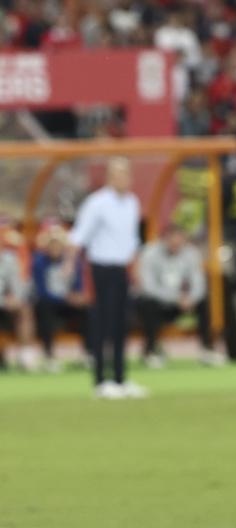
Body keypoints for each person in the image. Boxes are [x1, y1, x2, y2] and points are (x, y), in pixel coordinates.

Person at [65, 157, 146, 399]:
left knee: (122, 324)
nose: (124, 179)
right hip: (100, 268)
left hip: (122, 269)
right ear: (110, 177)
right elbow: (79, 236)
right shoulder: (97, 203)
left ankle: (121, 379)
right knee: (102, 323)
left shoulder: (132, 202)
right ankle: (101, 381)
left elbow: (132, 240)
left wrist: (136, 270)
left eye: (127, 174)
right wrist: (70, 263)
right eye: (119, 174)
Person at [136, 225, 223, 366]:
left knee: (205, 302)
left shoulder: (191, 254)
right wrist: (176, 298)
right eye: (172, 242)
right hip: (159, 302)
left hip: (183, 303)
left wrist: (191, 298)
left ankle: (207, 349)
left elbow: (198, 282)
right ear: (164, 240)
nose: (176, 245)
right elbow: (149, 287)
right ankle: (150, 351)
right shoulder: (150, 253)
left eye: (179, 242)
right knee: (146, 303)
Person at [31, 225, 90, 371]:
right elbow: (41, 290)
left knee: (88, 309)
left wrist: (77, 296)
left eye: (57, 243)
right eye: (52, 243)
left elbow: (78, 285)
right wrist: (65, 298)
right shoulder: (39, 262)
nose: (55, 247)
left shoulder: (72, 261)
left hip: (68, 303)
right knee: (44, 307)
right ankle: (49, 355)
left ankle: (89, 353)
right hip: (49, 302)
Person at [0, 236, 34, 371]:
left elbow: (18, 284)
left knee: (25, 309)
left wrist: (16, 299)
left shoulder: (10, 259)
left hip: (6, 305)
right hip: (3, 301)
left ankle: (25, 356)